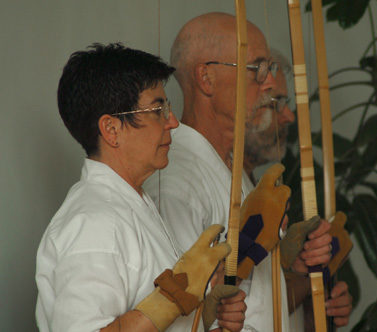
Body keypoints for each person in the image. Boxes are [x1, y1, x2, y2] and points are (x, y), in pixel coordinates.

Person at [144, 13, 350, 330]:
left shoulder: (231, 170)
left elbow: (256, 304)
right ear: (206, 78)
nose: (269, 82)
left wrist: (298, 272)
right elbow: (185, 314)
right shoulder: (176, 180)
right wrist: (249, 251)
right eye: (258, 69)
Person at [35, 43, 246, 332]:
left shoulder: (132, 204)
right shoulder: (94, 222)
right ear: (111, 129)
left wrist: (211, 311)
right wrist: (171, 299)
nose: (172, 122)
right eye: (158, 109)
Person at [245, 49, 353, 329]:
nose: (289, 117)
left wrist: (309, 285)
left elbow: (263, 305)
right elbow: (228, 308)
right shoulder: (186, 184)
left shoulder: (250, 184)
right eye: (277, 102)